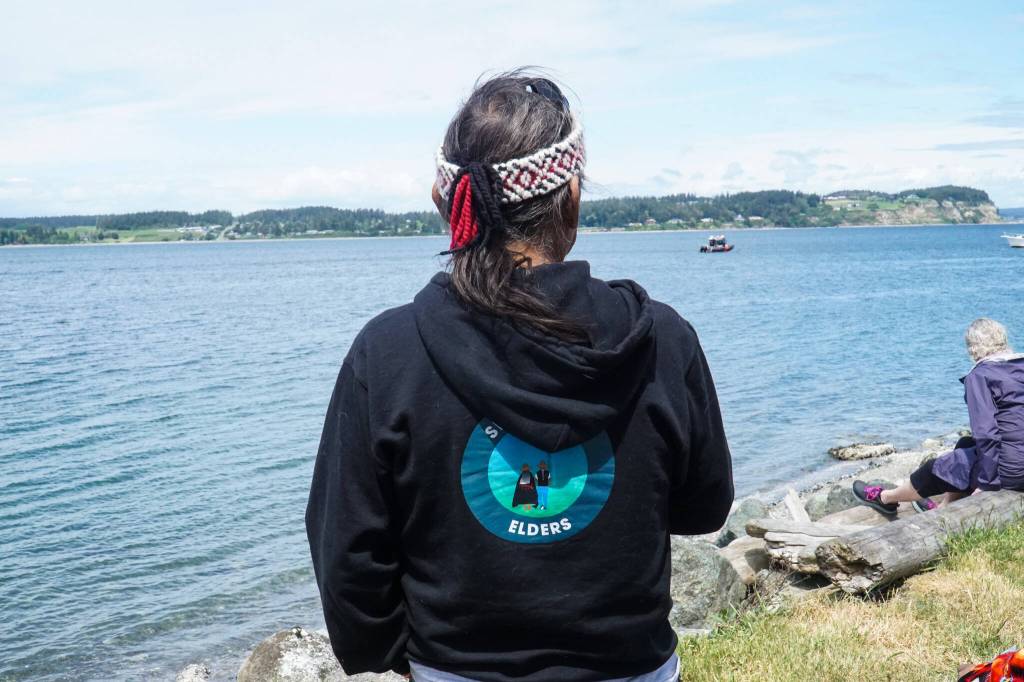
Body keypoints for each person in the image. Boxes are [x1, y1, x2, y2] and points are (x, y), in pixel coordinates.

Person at [305, 70, 733, 682]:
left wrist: (394, 658)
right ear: (572, 196)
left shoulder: (388, 353)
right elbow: (703, 507)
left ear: (444, 203)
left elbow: (347, 550)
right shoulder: (662, 341)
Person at [854, 318, 1024, 515]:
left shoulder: (980, 375)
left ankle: (885, 498)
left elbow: (986, 433)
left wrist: (987, 483)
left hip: (1012, 471)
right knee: (965, 444)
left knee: (934, 468)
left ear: (973, 347)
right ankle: (945, 507)